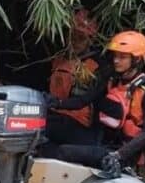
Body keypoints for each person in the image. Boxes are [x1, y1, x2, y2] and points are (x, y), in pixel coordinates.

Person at [44, 30, 145, 178]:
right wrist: (55, 102)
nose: (116, 61)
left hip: (125, 153)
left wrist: (118, 155)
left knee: (64, 151)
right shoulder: (112, 81)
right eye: (115, 56)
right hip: (103, 142)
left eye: (122, 57)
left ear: (137, 59)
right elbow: (83, 101)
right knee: (49, 127)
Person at [45, 9, 111, 146]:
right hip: (55, 115)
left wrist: (58, 103)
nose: (75, 41)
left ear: (91, 40)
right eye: (72, 36)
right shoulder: (58, 59)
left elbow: (82, 101)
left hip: (80, 124)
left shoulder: (96, 66)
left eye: (80, 38)